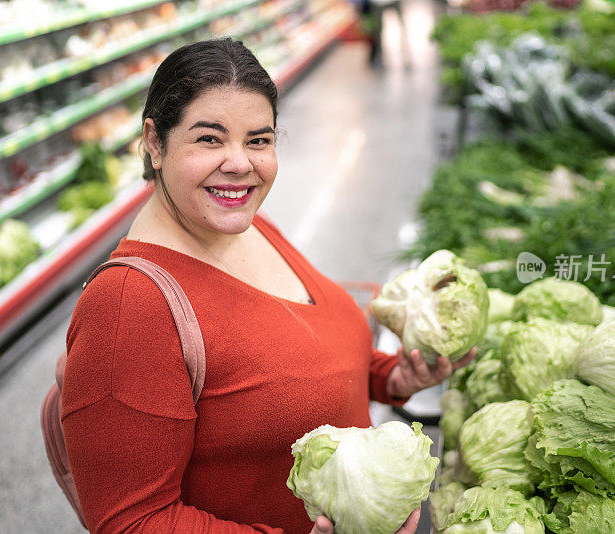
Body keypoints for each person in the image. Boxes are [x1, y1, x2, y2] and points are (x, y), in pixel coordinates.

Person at [61, 38, 473, 533]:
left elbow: (298, 357)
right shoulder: (130, 305)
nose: (240, 163)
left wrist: (390, 378)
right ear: (154, 142)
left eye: (259, 140)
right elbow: (132, 521)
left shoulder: (248, 223)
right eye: (209, 139)